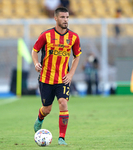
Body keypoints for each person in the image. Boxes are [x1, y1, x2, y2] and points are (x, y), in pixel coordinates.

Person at [32, 7, 81, 146]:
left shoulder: (74, 37)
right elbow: (34, 51)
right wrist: (36, 63)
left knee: (63, 104)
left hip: (63, 79)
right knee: (47, 109)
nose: (65, 20)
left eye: (67, 17)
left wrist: (71, 74)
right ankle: (40, 118)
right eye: (62, 17)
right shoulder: (46, 35)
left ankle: (61, 138)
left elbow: (77, 56)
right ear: (55, 18)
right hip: (46, 78)